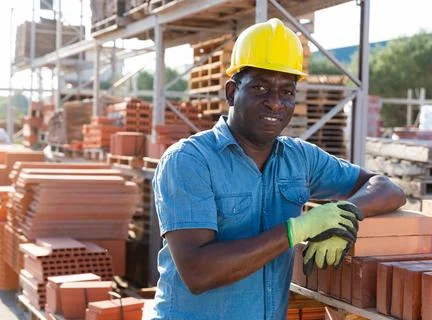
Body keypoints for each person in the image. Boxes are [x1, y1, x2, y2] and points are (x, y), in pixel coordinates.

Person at [152, 18, 406, 320]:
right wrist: (297, 229)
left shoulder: (299, 157)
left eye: (287, 91)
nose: (275, 103)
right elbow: (198, 272)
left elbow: (388, 189)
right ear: (232, 92)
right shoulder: (189, 161)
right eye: (260, 88)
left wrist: (342, 216)